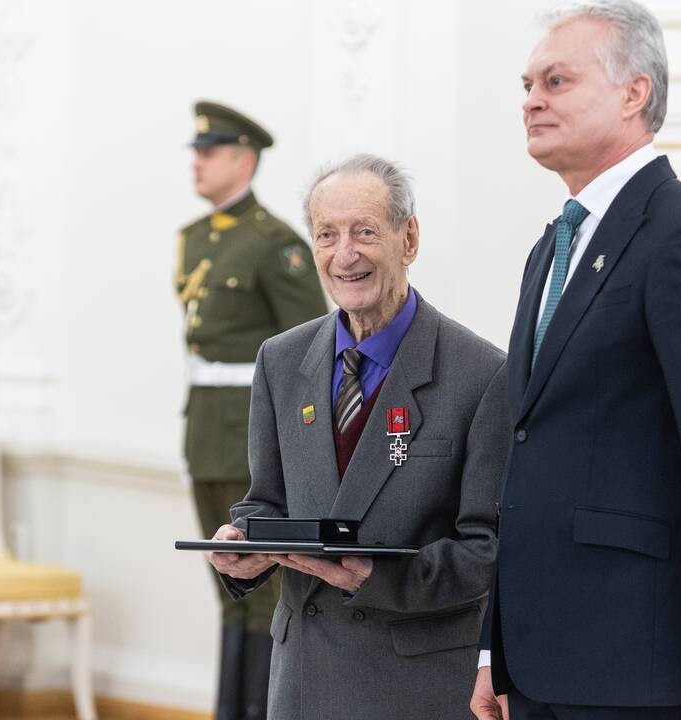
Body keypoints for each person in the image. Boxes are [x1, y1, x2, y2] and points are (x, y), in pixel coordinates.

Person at [470, 3, 681, 719]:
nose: (531, 99)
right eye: (526, 84)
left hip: (637, 665)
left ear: (633, 93)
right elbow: (528, 459)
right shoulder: (553, 244)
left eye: (556, 80)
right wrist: (495, 647)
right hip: (537, 662)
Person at [206, 154, 509, 720]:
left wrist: (377, 576)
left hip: (416, 685)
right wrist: (244, 547)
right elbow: (268, 500)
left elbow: (488, 552)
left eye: (365, 232)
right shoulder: (280, 359)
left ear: (408, 237)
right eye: (327, 235)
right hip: (304, 678)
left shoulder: (482, 374)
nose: (345, 255)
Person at [176, 100, 328, 720]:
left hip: (250, 436)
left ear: (244, 160)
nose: (197, 162)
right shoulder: (193, 239)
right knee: (226, 586)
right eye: (196, 151)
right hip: (207, 428)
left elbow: (307, 354)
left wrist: (297, 449)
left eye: (209, 152)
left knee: (261, 590)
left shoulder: (276, 245)